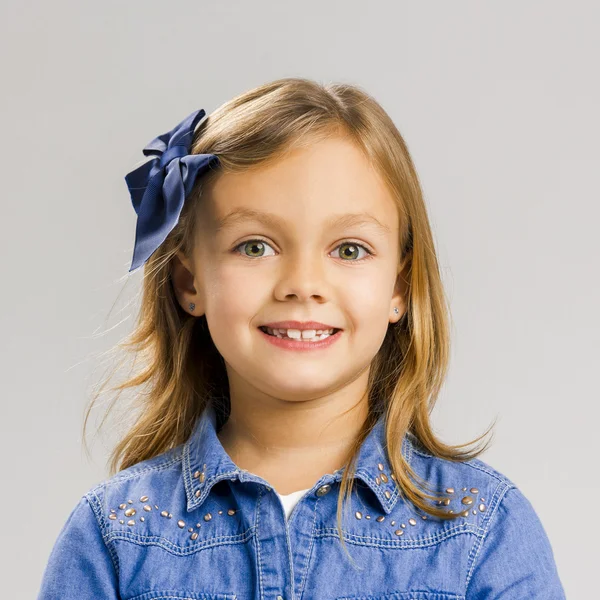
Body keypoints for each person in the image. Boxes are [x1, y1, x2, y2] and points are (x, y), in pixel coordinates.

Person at [37, 77, 566, 599]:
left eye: (350, 249)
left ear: (399, 288)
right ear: (188, 283)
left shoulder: (483, 529)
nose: (303, 286)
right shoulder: (113, 539)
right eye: (255, 247)